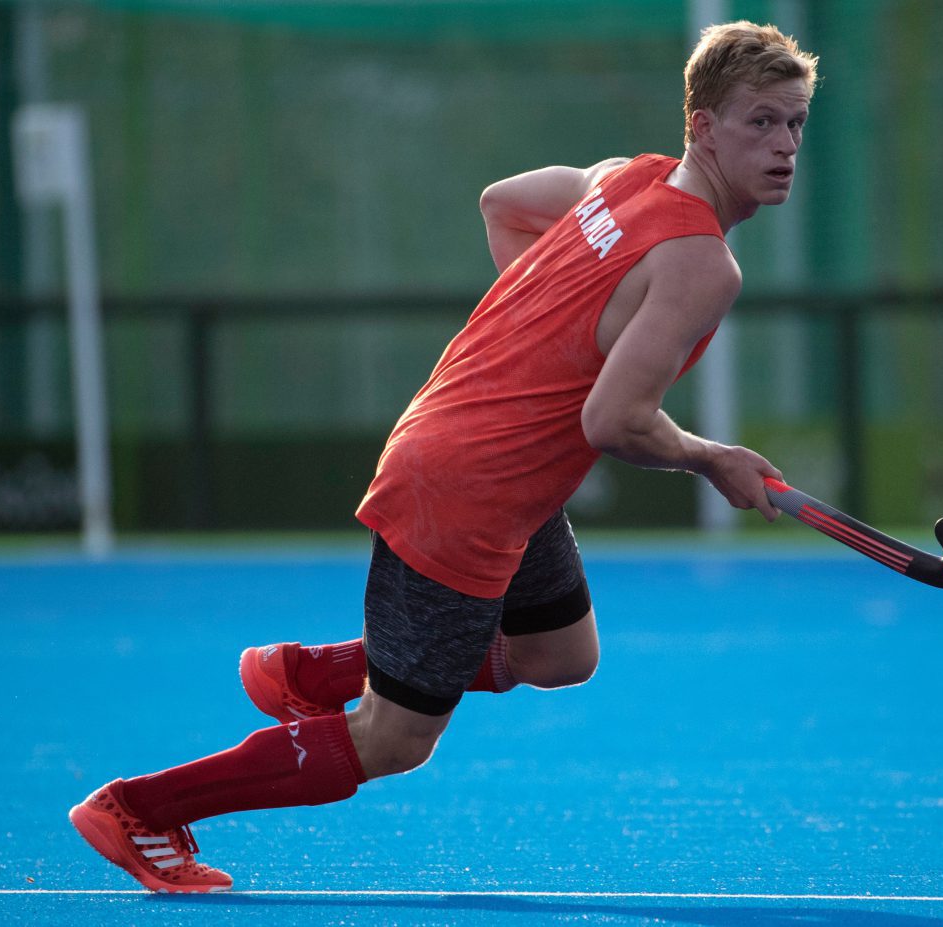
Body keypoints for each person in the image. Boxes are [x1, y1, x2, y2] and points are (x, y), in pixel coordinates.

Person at [70, 20, 819, 892]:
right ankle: (140, 808)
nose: (784, 145)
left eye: (796, 123)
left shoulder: (623, 180)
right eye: (759, 122)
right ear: (703, 126)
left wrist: (547, 337)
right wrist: (711, 457)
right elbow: (614, 420)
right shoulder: (703, 264)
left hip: (490, 469)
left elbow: (502, 201)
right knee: (392, 739)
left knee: (559, 654)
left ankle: (311, 670)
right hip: (466, 488)